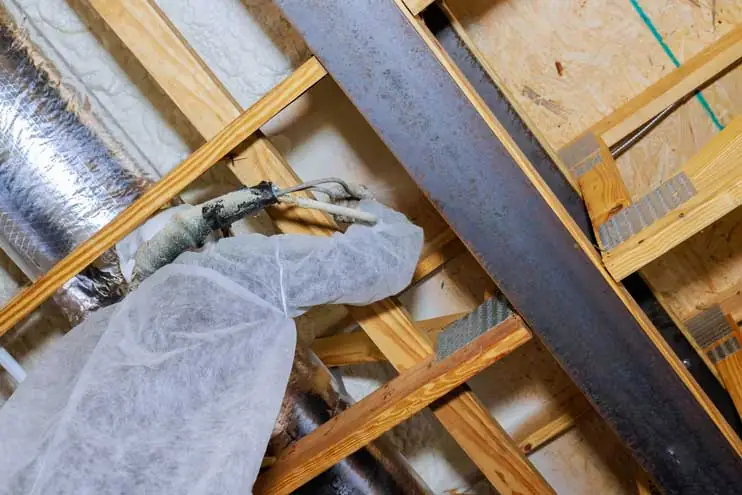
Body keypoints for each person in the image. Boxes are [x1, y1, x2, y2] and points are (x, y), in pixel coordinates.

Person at [0, 200, 423, 494]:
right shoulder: (233, 272)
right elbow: (381, 260)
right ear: (203, 235)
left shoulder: (114, 343)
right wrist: (370, 209)